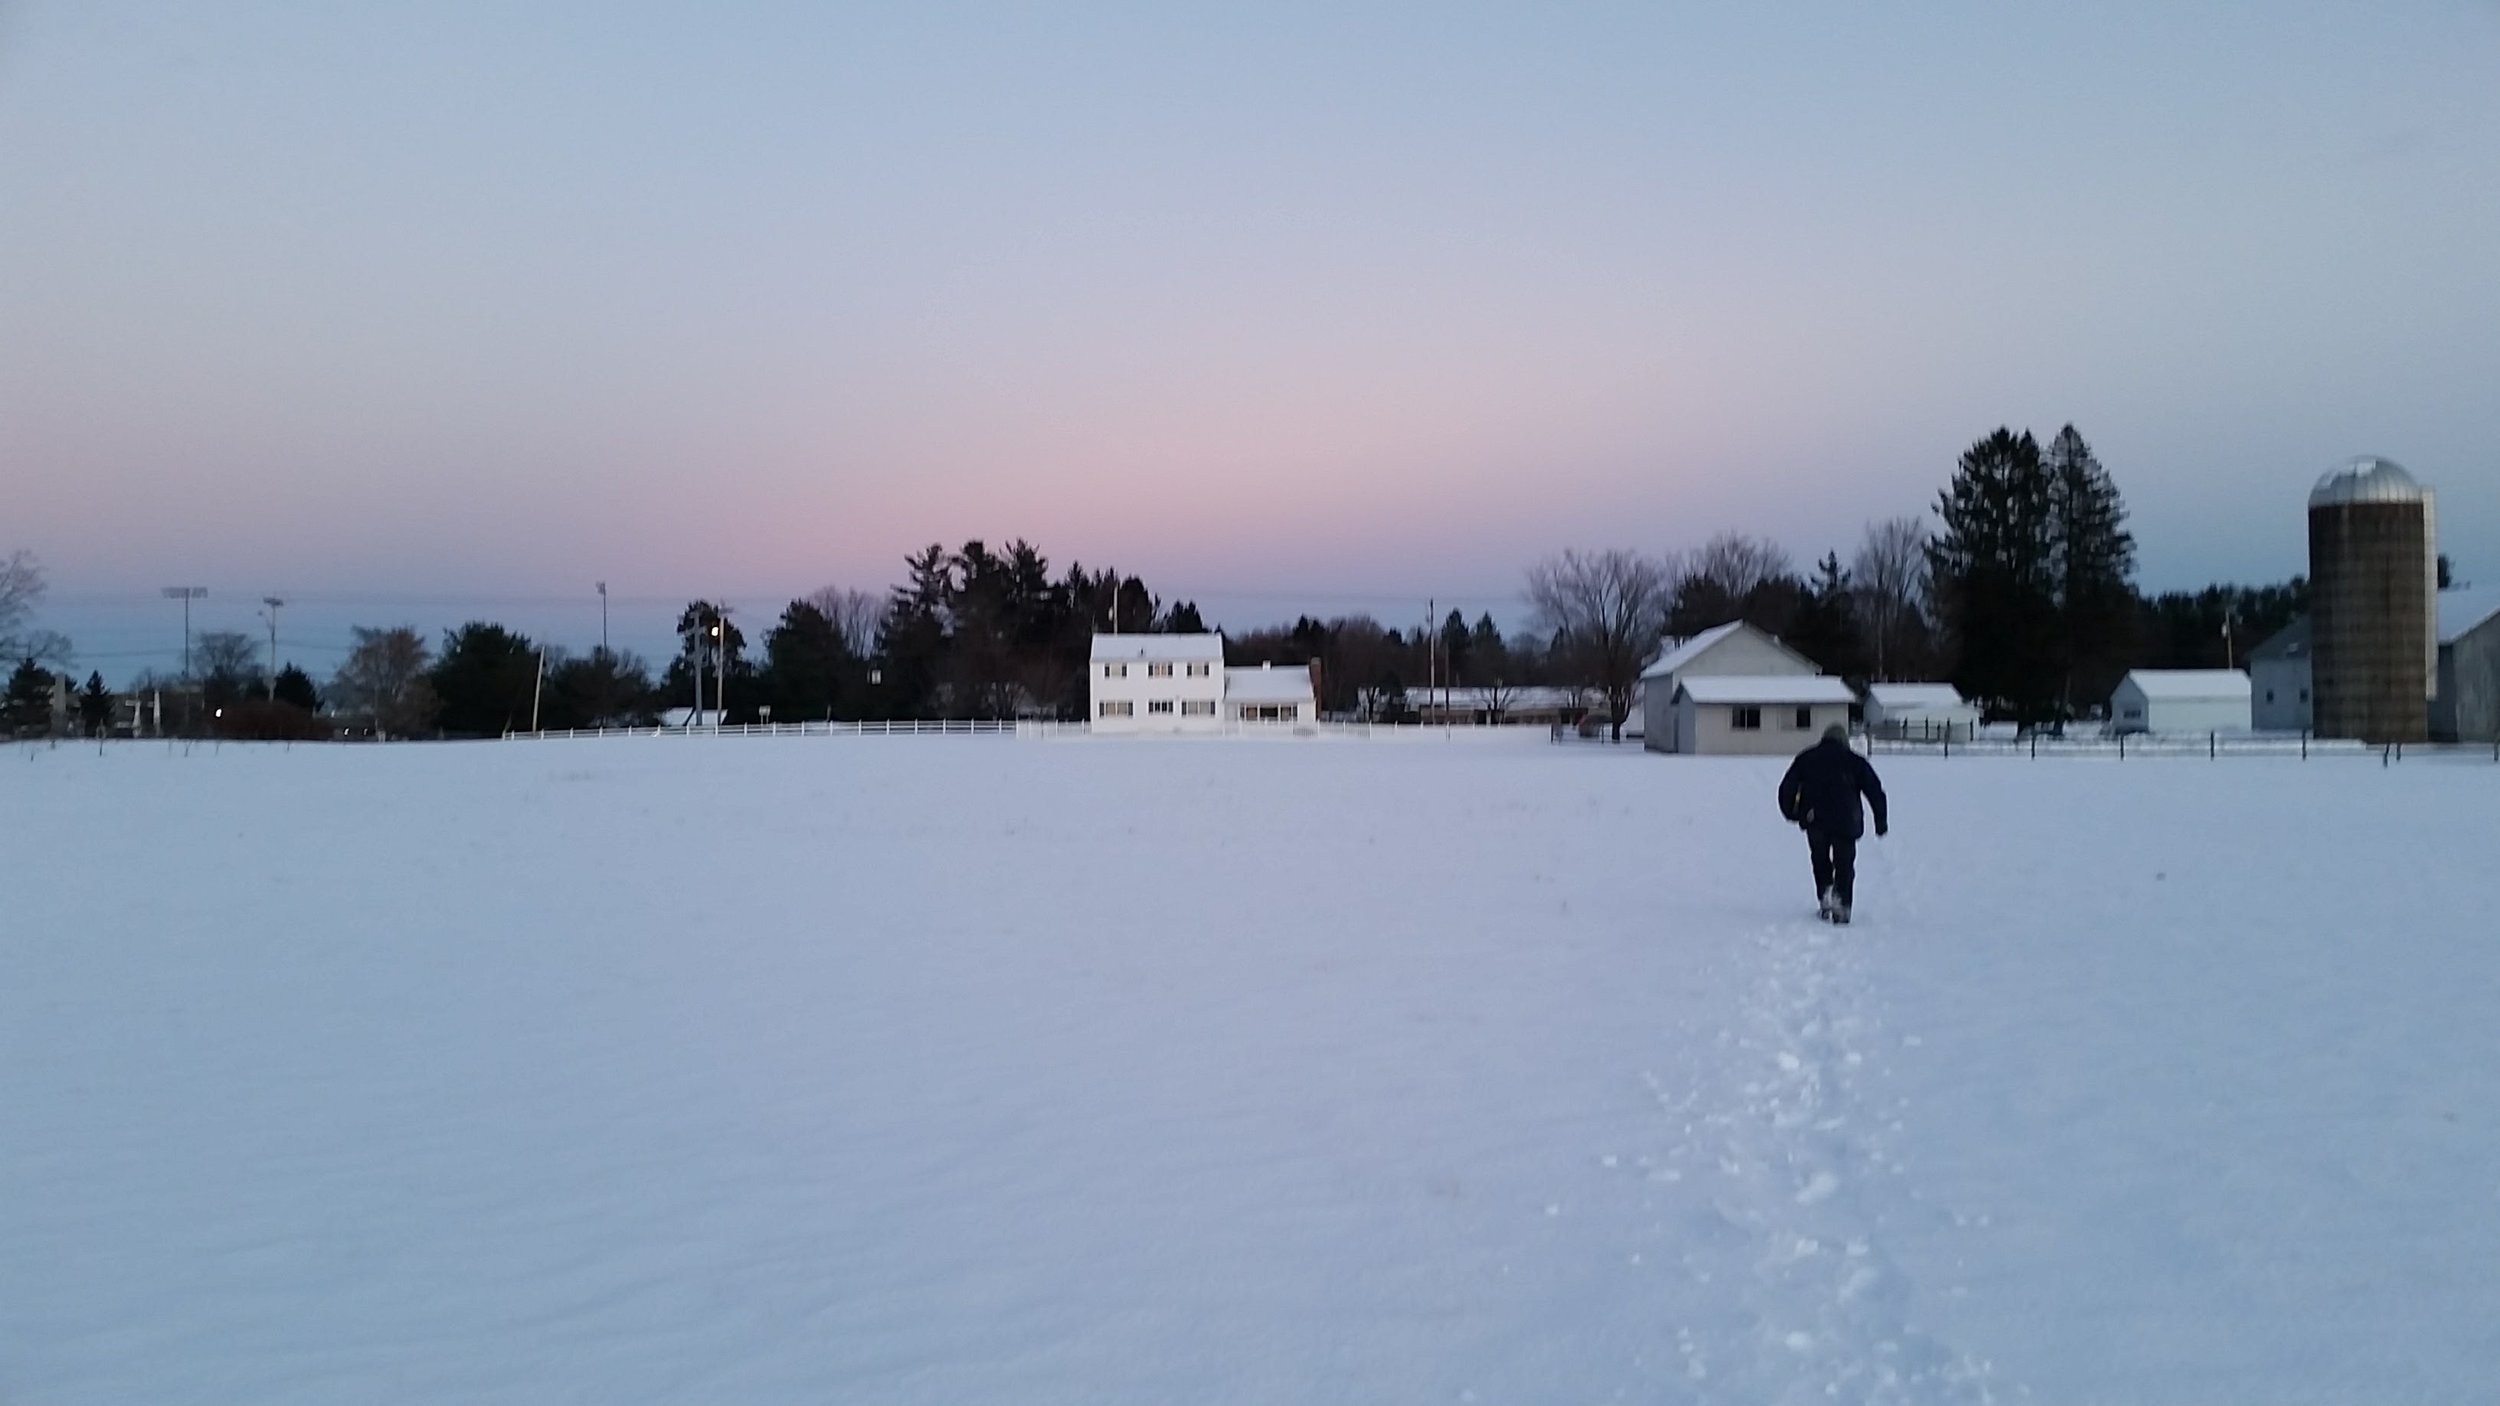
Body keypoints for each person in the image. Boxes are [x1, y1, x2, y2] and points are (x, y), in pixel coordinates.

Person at [1777, 722, 1888, 924]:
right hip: (1846, 820)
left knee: (1820, 860)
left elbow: (1787, 787)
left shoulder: (1806, 758)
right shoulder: (1855, 761)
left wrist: (1792, 813)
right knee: (1844, 864)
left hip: (1815, 819)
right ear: (1844, 741)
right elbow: (1875, 791)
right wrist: (1881, 821)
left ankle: (1826, 894)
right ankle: (1842, 905)